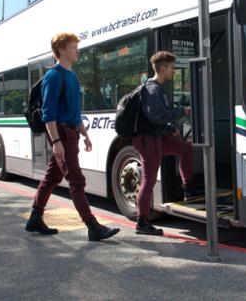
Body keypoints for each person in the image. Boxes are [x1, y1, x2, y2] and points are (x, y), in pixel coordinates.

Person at [25, 32, 120, 242]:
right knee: (76, 180)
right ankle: (92, 226)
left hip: (72, 132)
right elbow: (48, 112)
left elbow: (74, 112)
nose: (78, 50)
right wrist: (56, 141)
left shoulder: (72, 76)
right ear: (60, 51)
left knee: (52, 177)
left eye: (77, 46)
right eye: (73, 47)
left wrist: (84, 134)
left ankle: (35, 217)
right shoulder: (54, 76)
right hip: (61, 133)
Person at [133, 51, 196, 235]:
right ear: (162, 69)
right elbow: (157, 116)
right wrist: (181, 112)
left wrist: (170, 128)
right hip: (148, 140)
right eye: (171, 67)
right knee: (148, 180)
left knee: (185, 149)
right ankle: (142, 221)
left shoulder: (157, 88)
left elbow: (158, 117)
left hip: (157, 137)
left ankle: (188, 188)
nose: (173, 71)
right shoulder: (153, 89)